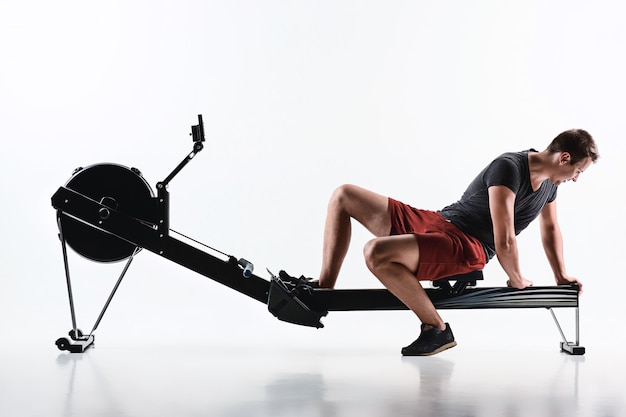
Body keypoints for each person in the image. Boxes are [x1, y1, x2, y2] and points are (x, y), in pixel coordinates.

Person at [316, 129, 599, 356]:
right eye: (578, 171)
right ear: (564, 158)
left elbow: (550, 229)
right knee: (344, 195)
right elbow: (506, 238)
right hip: (440, 222)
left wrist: (560, 276)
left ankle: (436, 329)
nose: (575, 179)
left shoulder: (550, 186)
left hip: (468, 247)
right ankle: (323, 292)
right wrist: (517, 278)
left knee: (375, 253)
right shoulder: (510, 167)